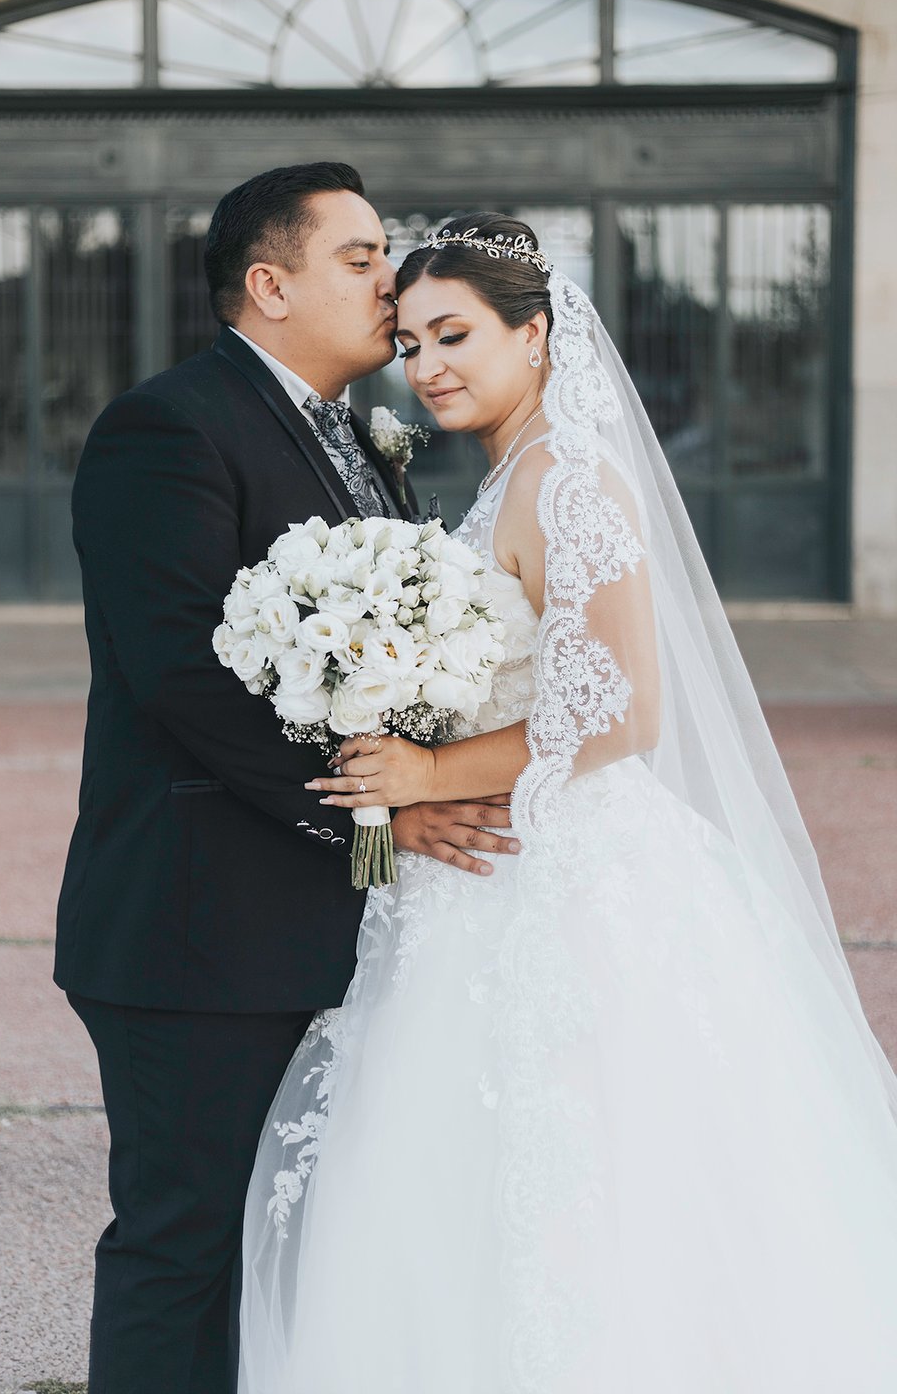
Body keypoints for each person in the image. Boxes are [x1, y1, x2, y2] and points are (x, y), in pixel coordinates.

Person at [238, 214, 897, 1393]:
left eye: (454, 335)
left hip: (564, 881)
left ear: (535, 334)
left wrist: (425, 774)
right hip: (482, 876)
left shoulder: (570, 481)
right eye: (410, 343)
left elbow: (624, 710)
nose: (427, 366)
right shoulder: (510, 475)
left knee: (585, 1165)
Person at [53, 167, 519, 1394]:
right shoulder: (167, 428)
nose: (390, 279)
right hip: (197, 925)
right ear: (269, 285)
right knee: (188, 1244)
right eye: (360, 258)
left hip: (321, 920)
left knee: (296, 1248)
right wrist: (387, 808)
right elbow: (180, 676)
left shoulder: (359, 435)